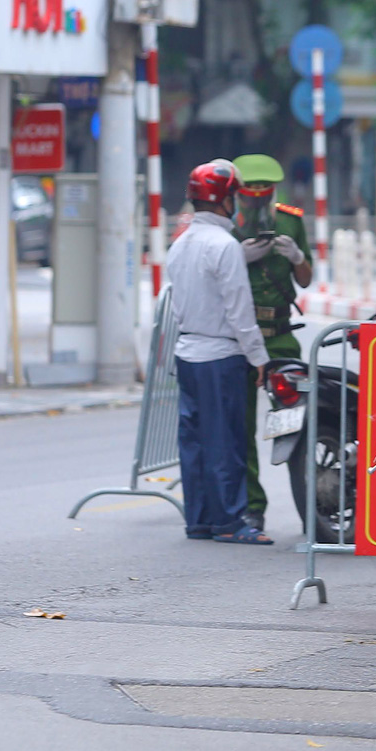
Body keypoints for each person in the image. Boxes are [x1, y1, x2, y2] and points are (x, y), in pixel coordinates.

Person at [168, 159, 274, 544]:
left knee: (194, 442)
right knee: (226, 441)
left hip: (188, 352)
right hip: (220, 355)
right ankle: (230, 521)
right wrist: (259, 358)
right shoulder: (224, 246)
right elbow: (240, 312)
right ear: (225, 199)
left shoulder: (180, 244)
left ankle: (199, 519)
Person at [231, 154, 312, 533]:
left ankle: (310, 499)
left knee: (299, 422)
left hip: (280, 337)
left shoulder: (290, 221)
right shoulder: (227, 225)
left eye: (267, 190)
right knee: (242, 427)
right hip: (242, 339)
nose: (260, 197)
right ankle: (252, 506)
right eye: (252, 192)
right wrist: (239, 257)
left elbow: (307, 279)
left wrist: (296, 257)